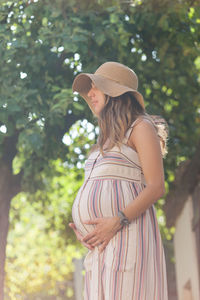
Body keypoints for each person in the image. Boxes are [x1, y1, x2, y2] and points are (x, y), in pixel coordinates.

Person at [69, 61, 169, 300]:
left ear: (115, 93)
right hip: (102, 249)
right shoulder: (101, 145)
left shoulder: (141, 127)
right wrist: (86, 230)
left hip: (128, 236)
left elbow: (156, 186)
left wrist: (118, 219)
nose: (90, 94)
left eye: (96, 87)